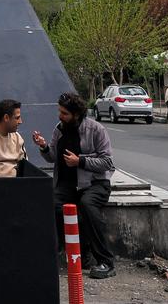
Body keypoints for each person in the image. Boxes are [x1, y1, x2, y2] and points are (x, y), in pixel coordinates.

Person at [33, 92, 116, 280]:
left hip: (95, 183)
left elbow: (107, 162)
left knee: (87, 205)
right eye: (59, 111)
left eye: (64, 113)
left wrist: (80, 161)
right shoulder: (59, 129)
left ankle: (106, 261)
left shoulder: (96, 130)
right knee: (52, 205)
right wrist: (44, 147)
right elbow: (53, 157)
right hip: (67, 184)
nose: (60, 116)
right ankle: (71, 251)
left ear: (76, 114)